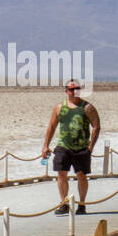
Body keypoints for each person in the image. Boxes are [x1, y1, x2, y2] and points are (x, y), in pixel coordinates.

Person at [41, 79, 100, 215]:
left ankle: (82, 204)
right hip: (63, 145)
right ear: (66, 91)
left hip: (81, 147)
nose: (74, 92)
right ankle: (64, 203)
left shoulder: (87, 107)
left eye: (77, 89)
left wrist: (90, 147)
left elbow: (96, 126)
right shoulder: (60, 107)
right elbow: (52, 126)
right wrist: (46, 146)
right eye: (71, 89)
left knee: (81, 175)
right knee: (61, 173)